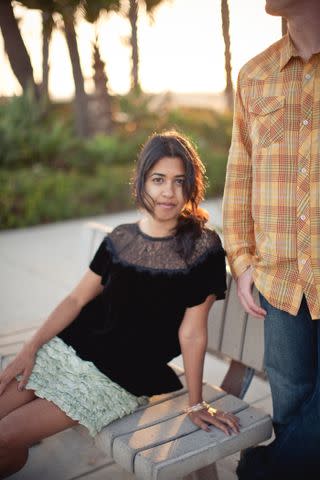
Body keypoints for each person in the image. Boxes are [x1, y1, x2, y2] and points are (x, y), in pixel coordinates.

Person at [0, 130, 239, 477]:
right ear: (142, 181)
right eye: (158, 179)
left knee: (5, 435)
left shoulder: (204, 248)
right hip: (71, 347)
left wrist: (196, 403)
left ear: (191, 185)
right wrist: (31, 347)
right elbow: (76, 298)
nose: (168, 192)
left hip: (120, 375)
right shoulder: (121, 238)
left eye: (179, 181)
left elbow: (192, 332)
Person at [223, 0, 320, 478]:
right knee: (291, 418)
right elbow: (239, 175)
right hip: (280, 287)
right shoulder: (255, 75)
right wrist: (241, 261)